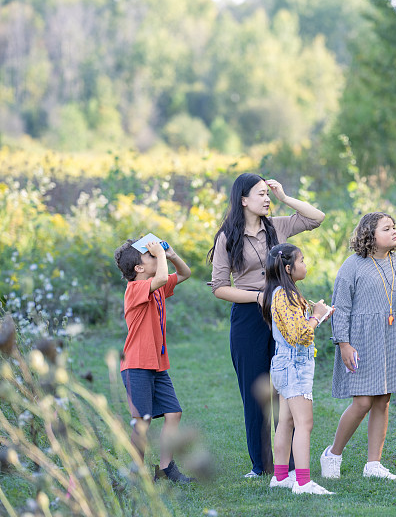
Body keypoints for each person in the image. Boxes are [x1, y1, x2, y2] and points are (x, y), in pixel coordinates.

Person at [208, 173, 325, 478]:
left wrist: (285, 197)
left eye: (268, 194)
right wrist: (258, 296)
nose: (266, 199)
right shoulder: (227, 238)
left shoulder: (279, 226)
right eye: (260, 194)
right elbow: (219, 287)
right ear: (243, 200)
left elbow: (317, 218)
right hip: (248, 317)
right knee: (255, 391)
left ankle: (284, 467)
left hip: (283, 313)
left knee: (284, 388)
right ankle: (261, 466)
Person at [320, 212, 396, 481]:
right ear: (370, 235)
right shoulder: (352, 266)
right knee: (363, 401)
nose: (394, 232)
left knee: (383, 399)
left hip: (391, 336)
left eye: (394, 228)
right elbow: (340, 309)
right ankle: (333, 454)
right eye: (387, 228)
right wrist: (343, 343)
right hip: (362, 339)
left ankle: (373, 464)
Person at [113, 237, 194, 483]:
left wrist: (170, 256)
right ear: (138, 268)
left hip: (156, 364)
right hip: (137, 364)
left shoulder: (156, 286)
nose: (154, 257)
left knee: (174, 413)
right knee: (142, 421)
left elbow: (185, 273)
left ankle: (166, 469)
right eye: (149, 256)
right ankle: (134, 472)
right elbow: (160, 278)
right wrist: (159, 255)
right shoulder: (135, 288)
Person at [261, 243, 335, 495]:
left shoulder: (279, 293)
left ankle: (281, 476)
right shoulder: (286, 296)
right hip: (294, 366)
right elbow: (300, 334)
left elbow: (294, 330)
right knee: (305, 423)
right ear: (289, 268)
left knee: (287, 421)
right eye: (302, 260)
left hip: (283, 365)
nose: (305, 264)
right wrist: (315, 315)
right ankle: (303, 482)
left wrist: (318, 315)